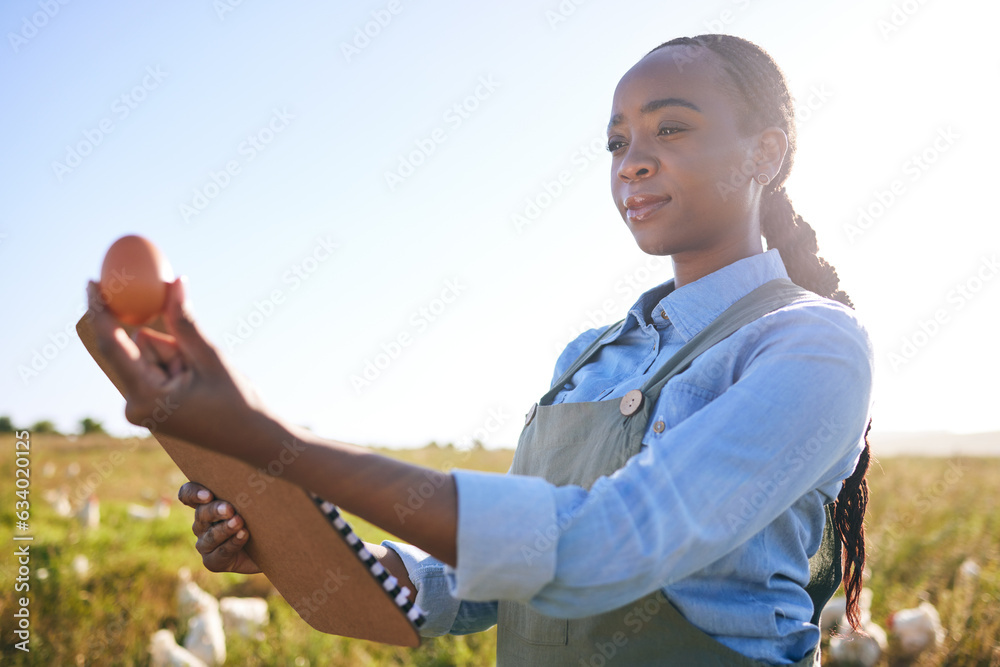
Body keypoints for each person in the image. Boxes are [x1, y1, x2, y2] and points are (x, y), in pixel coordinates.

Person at [86, 34, 874, 666]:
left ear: (765, 155)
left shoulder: (811, 347)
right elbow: (485, 582)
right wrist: (297, 545)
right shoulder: (590, 354)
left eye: (671, 128)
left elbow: (598, 548)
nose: (631, 160)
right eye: (615, 140)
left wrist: (274, 442)